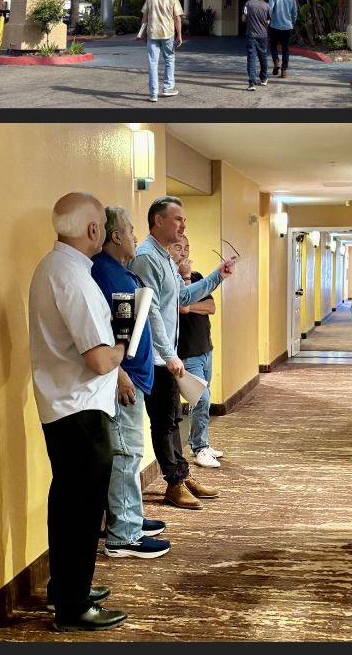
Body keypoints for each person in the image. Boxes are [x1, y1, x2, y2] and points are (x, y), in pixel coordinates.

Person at [29, 192, 129, 631]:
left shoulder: (52, 267)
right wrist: (125, 345)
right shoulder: (74, 277)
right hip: (81, 408)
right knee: (84, 508)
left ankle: (64, 590)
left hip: (63, 405)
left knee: (68, 502)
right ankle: (72, 606)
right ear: (94, 230)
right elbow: (98, 358)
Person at [131, 196, 234, 509]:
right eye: (178, 219)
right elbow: (151, 313)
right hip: (156, 356)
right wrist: (168, 353)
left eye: (184, 220)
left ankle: (181, 474)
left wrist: (217, 275)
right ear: (158, 221)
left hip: (167, 354)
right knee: (164, 420)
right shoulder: (147, 257)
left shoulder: (164, 258)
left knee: (174, 418)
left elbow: (184, 295)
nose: (183, 225)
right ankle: (174, 484)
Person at [91, 206, 170, 560]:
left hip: (133, 376)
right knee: (125, 453)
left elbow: (125, 329)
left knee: (128, 452)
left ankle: (129, 519)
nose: (136, 237)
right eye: (132, 230)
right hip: (124, 381)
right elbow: (106, 336)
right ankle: (124, 535)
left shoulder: (119, 273)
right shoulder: (106, 274)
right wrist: (120, 374)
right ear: (116, 236)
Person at [173, 237, 223, 469]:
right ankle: (199, 448)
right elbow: (180, 302)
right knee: (200, 399)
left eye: (186, 248)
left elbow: (210, 307)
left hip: (205, 348)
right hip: (187, 353)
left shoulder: (198, 278)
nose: (183, 253)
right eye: (178, 247)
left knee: (202, 400)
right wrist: (184, 277)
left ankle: (200, 443)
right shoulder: (171, 281)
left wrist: (190, 308)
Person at [140, 0, 183, 102]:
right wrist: (179, 34)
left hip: (152, 33)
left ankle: (153, 93)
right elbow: (177, 18)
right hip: (167, 33)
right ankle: (168, 88)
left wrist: (142, 33)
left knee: (153, 62)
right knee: (169, 59)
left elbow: (144, 17)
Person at [267, 0, 299, 78]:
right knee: (285, 48)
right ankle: (284, 70)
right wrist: (292, 22)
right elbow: (294, 12)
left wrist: (270, 20)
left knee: (273, 45)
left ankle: (276, 61)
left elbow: (270, 10)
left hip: (275, 26)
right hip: (287, 26)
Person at [242, 0, 271, 91]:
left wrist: (250, 22)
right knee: (263, 56)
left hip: (251, 35)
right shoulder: (267, 5)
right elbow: (268, 21)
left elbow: (243, 19)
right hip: (263, 35)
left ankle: (252, 83)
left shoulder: (248, 4)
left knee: (251, 58)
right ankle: (263, 79)